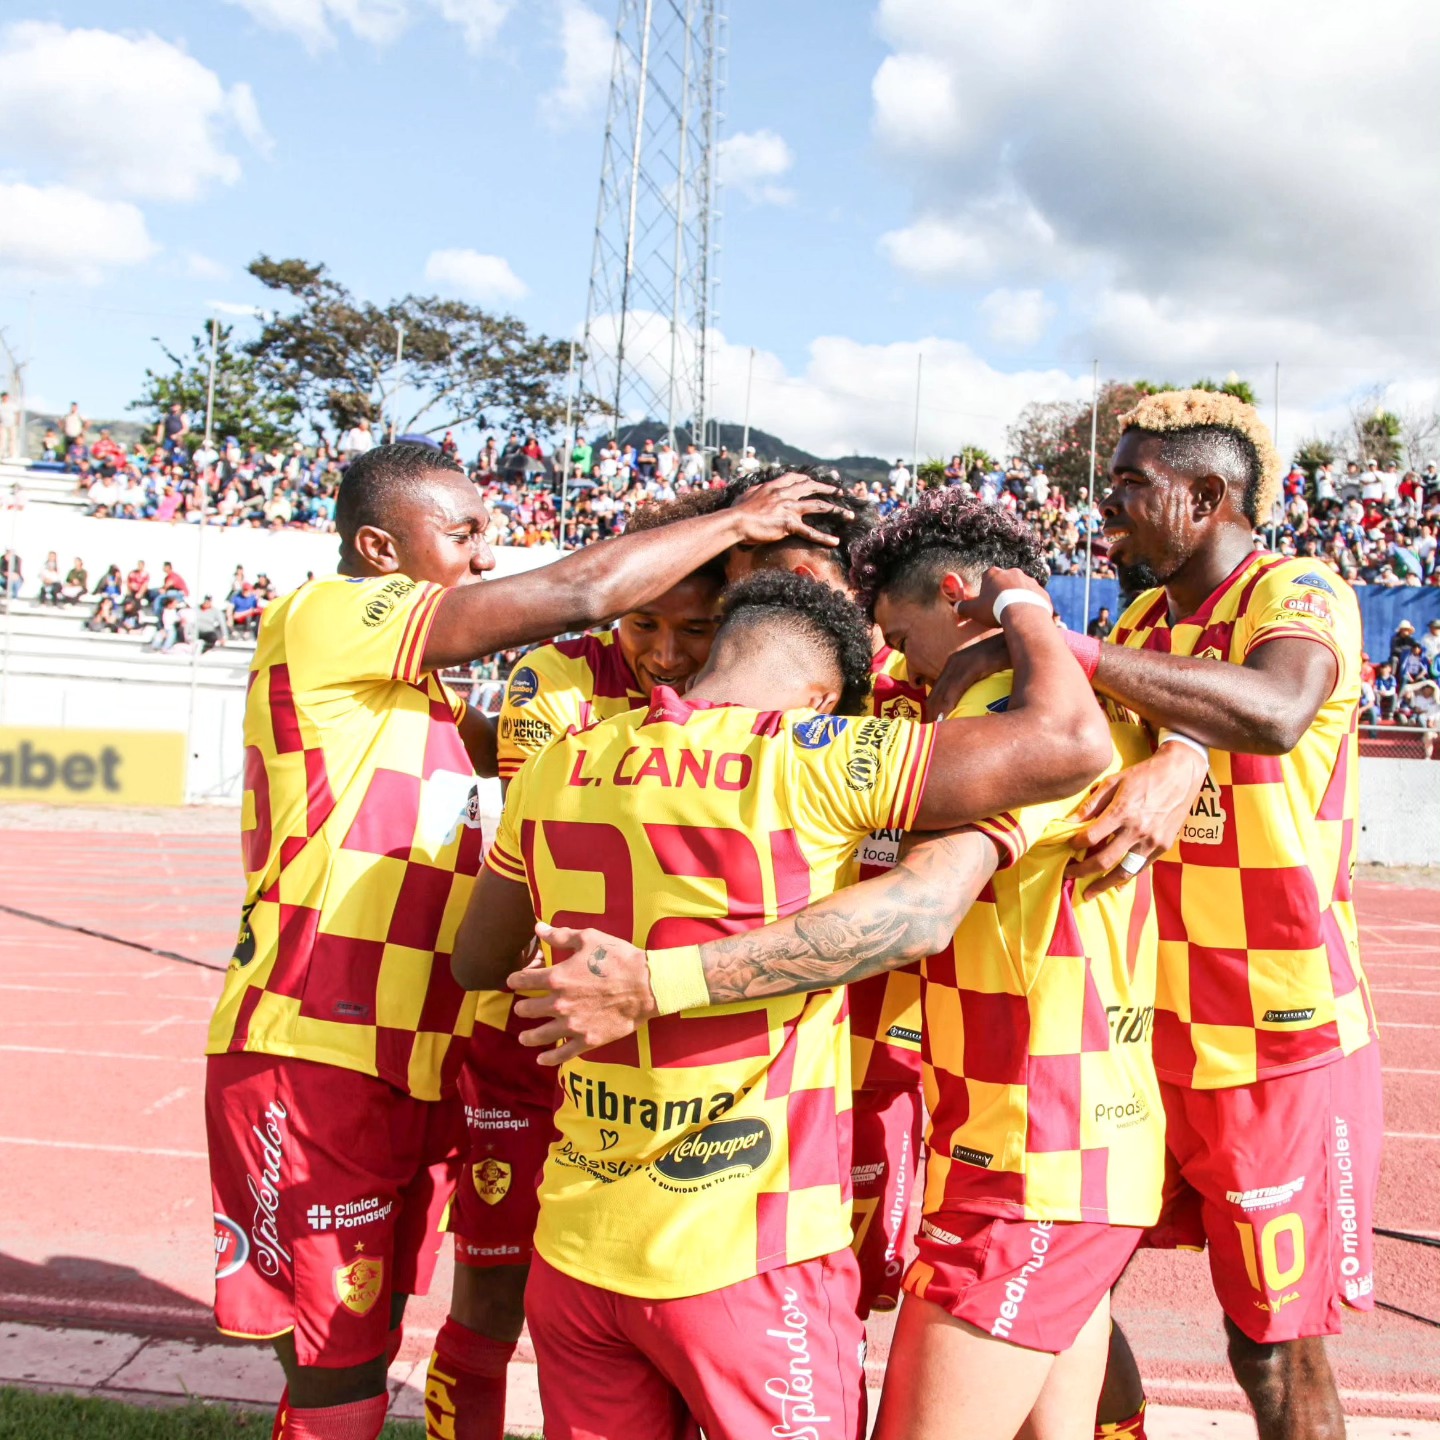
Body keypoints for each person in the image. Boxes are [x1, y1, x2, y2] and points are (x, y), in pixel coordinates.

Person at [202, 441, 858, 1440]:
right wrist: (736, 519)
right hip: (315, 1038)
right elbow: (581, 591)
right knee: (339, 1359)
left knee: (366, 1335)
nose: (481, 554)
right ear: (379, 546)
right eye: (461, 533)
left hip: (417, 1050)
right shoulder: (327, 614)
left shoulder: (419, 696)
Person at [515, 495, 1173, 1440]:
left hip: (1031, 1140)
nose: (892, 657)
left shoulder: (575, 755)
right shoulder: (860, 734)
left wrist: (1151, 718)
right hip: (940, 1143)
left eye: (897, 632)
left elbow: (928, 904)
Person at [933, 390, 1381, 1440]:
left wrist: (1080, 656)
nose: (1109, 508)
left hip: (1274, 1032)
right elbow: (1135, 721)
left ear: (1209, 496)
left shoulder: (1299, 588)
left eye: (1133, 486)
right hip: (1139, 1029)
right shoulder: (1144, 621)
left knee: (1270, 1346)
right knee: (1072, 1284)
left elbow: (1271, 710)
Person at [437, 497, 728, 1437]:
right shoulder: (552, 672)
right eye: (646, 622)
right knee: (491, 1292)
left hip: (677, 1053)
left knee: (682, 1311)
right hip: (526, 1039)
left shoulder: (760, 682)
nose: (669, 653)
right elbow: (541, 849)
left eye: (697, 628)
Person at [719, 467, 930, 1321]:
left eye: (732, 586)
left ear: (796, 582)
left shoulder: (918, 689)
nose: (720, 619)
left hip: (866, 1058)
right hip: (790, 1052)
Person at [0, 390, 18, 460]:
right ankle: (2, 453)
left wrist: (16, 422)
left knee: (12, 439)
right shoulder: (1, 405)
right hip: (3, 424)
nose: (5, 398)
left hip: (11, 424)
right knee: (2, 439)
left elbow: (16, 413)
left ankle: (12, 454)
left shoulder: (11, 405)